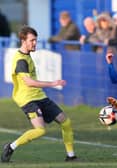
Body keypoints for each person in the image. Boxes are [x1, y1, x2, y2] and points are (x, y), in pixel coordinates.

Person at [1, 26, 78, 162]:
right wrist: (53, 83)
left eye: (35, 40)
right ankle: (11, 147)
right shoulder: (21, 60)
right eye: (32, 40)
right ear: (23, 41)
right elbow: (29, 82)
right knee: (40, 130)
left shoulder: (27, 55)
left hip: (39, 96)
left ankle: (71, 156)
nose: (34, 43)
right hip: (27, 100)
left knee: (65, 122)